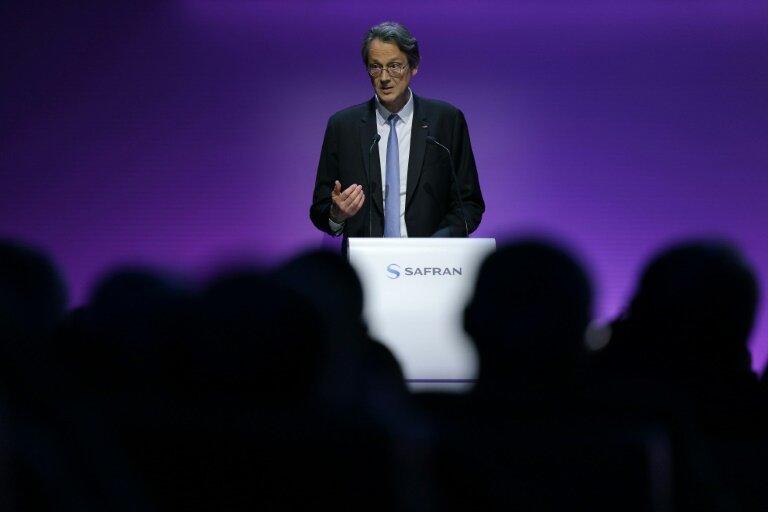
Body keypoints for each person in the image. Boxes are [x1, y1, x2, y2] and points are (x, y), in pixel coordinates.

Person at [310, 21, 484, 242]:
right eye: (375, 66)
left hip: (430, 267)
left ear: (413, 66)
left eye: (394, 66)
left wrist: (436, 245)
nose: (384, 78)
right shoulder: (343, 127)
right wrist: (337, 215)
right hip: (365, 267)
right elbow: (320, 209)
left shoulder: (446, 121)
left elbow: (469, 204)